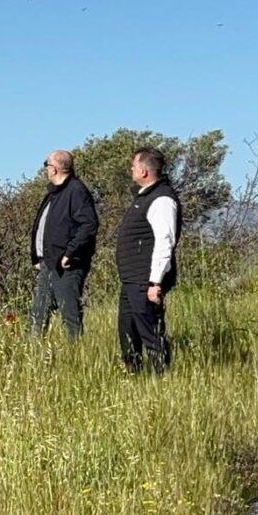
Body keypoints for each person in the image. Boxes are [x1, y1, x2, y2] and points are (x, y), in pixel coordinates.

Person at [115, 148, 182, 374]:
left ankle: (161, 379)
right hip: (131, 279)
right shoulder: (144, 197)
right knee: (127, 328)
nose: (131, 169)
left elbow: (165, 240)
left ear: (144, 171)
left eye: (134, 165)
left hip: (146, 279)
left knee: (150, 331)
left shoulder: (161, 199)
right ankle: (134, 377)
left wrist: (155, 282)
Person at [28, 150, 99, 339]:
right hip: (48, 263)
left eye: (47, 164)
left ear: (54, 168)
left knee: (70, 314)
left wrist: (69, 253)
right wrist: (38, 257)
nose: (45, 169)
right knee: (38, 313)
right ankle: (33, 357)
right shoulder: (54, 193)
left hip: (67, 265)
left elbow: (88, 225)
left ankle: (75, 359)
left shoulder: (76, 191)